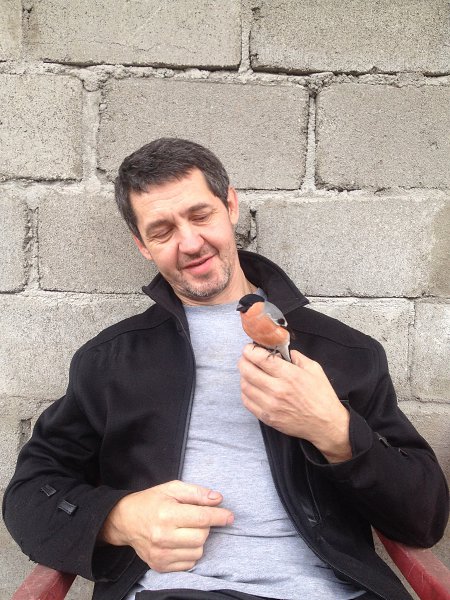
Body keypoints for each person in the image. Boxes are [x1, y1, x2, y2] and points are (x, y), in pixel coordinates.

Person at [3, 138, 448, 600]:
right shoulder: (110, 360)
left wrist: (334, 429)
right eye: (162, 231)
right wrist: (120, 518)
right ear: (142, 245)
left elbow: (424, 517)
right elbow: (28, 495)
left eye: (200, 216)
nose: (190, 243)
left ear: (230, 206)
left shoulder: (346, 352)